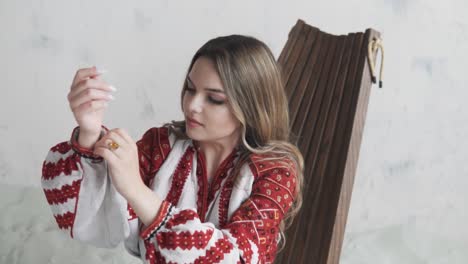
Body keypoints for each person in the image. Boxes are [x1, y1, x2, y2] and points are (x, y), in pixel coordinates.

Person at [41, 35, 304, 264]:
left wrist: (136, 190)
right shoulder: (163, 146)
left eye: (214, 99)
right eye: (190, 89)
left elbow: (233, 259)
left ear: (251, 106)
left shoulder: (274, 173)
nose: (192, 105)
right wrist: (89, 131)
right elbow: (91, 215)